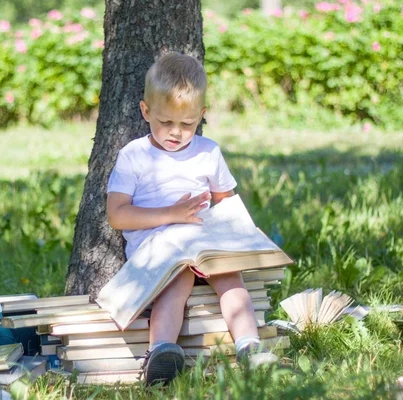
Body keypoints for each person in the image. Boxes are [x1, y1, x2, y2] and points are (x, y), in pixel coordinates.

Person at [105, 52, 278, 386]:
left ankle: (249, 346)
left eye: (187, 124)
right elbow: (117, 215)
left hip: (200, 242)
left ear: (202, 116)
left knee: (230, 275)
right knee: (179, 280)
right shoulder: (134, 156)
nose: (176, 133)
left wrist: (236, 236)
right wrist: (171, 215)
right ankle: (161, 352)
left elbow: (226, 203)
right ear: (145, 111)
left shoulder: (207, 151)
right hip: (158, 251)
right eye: (165, 122)